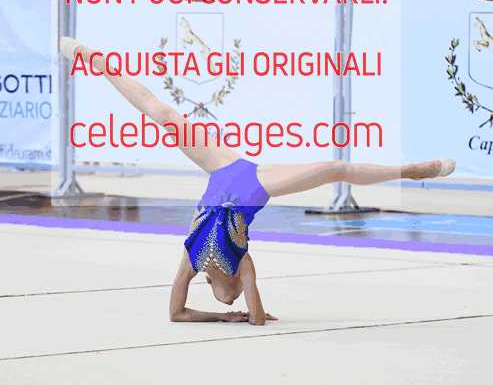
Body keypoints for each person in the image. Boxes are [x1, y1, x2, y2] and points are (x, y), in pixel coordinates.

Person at [60, 37, 456, 326]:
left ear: (214, 283)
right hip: (253, 185)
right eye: (235, 296)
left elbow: (176, 314)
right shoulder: (242, 262)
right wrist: (232, 316)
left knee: (162, 114)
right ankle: (409, 171)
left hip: (222, 170)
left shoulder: (190, 261)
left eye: (227, 298)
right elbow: (257, 318)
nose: (233, 298)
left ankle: (91, 57)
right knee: (334, 168)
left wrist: (222, 318)